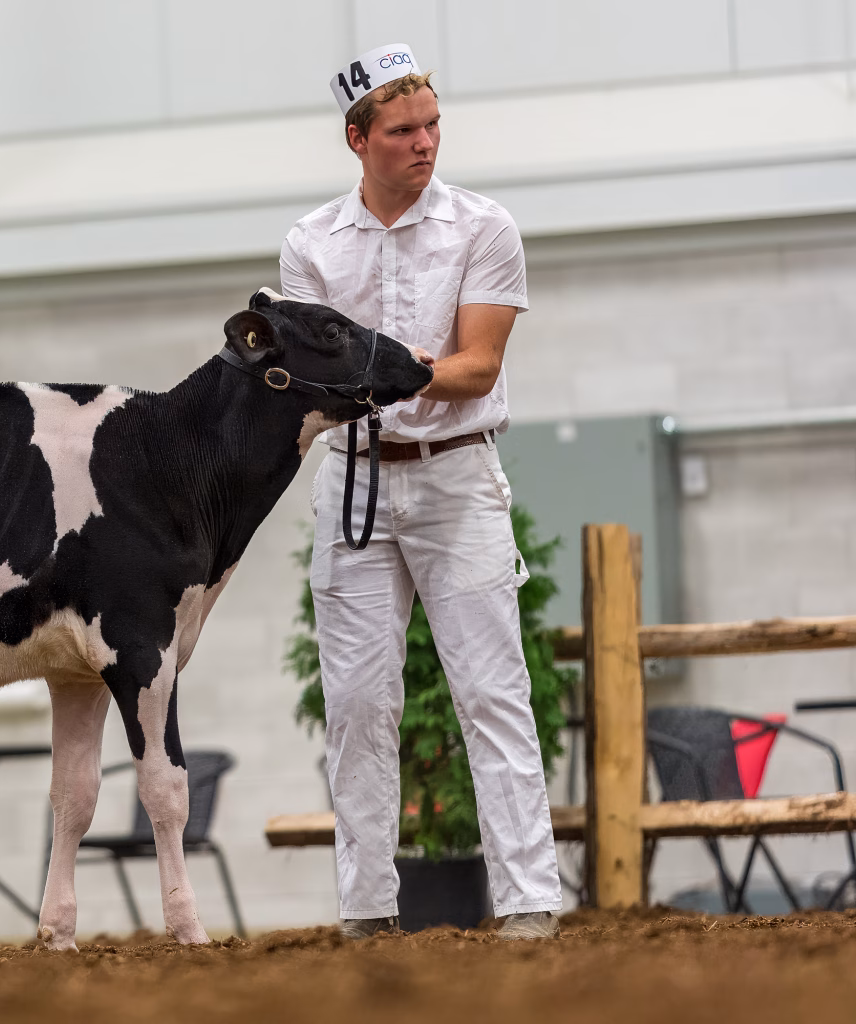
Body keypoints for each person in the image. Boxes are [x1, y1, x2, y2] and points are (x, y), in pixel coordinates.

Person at [280, 43, 562, 940]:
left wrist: (380, 371)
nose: (426, 142)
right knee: (358, 704)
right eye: (404, 130)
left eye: (433, 125)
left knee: (492, 692)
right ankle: (367, 913)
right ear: (358, 139)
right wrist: (377, 375)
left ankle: (529, 905)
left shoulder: (485, 226)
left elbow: (478, 368)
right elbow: (311, 378)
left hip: (457, 477)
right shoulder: (309, 245)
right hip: (354, 480)